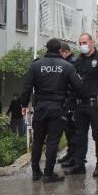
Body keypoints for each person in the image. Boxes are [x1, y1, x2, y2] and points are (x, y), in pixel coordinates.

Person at [20, 39, 82, 183]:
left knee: (38, 140)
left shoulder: (36, 65)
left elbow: (27, 87)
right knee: (52, 141)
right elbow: (79, 87)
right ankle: (48, 173)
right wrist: (69, 99)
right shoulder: (67, 66)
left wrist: (24, 104)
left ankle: (36, 171)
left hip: (40, 107)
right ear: (60, 50)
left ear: (46, 48)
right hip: (57, 108)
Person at [65, 33, 98, 178]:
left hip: (96, 105)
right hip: (80, 105)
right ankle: (79, 165)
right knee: (80, 136)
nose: (83, 45)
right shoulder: (78, 60)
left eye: (85, 42)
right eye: (80, 43)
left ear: (92, 42)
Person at [57, 42, 78, 165]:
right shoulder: (68, 62)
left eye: (60, 53)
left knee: (72, 131)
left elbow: (74, 84)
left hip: (72, 102)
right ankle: (70, 154)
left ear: (65, 52)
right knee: (68, 130)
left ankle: (74, 157)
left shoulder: (72, 63)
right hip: (67, 101)